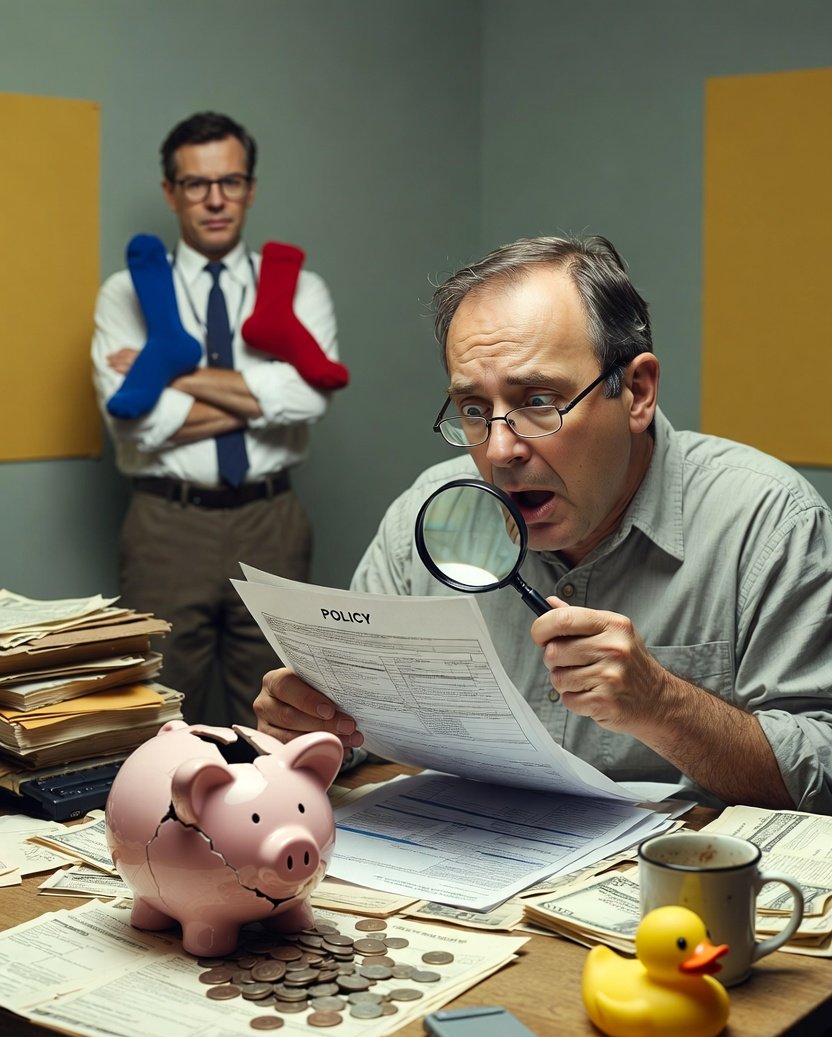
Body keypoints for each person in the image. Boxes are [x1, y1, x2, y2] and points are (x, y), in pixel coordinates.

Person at [253, 234, 832, 813]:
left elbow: (823, 772)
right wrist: (308, 726)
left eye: (537, 401)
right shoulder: (422, 514)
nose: (499, 450)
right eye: (474, 409)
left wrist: (663, 705)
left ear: (636, 392)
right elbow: (352, 729)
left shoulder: (770, 524)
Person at [92, 110, 347, 729]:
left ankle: (268, 813)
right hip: (166, 524)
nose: (214, 200)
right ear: (171, 192)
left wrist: (171, 374)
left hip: (271, 521)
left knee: (280, 714)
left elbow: (311, 399)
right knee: (155, 712)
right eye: (196, 184)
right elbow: (133, 423)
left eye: (230, 182)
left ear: (250, 189)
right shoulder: (125, 292)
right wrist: (260, 399)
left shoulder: (299, 289)